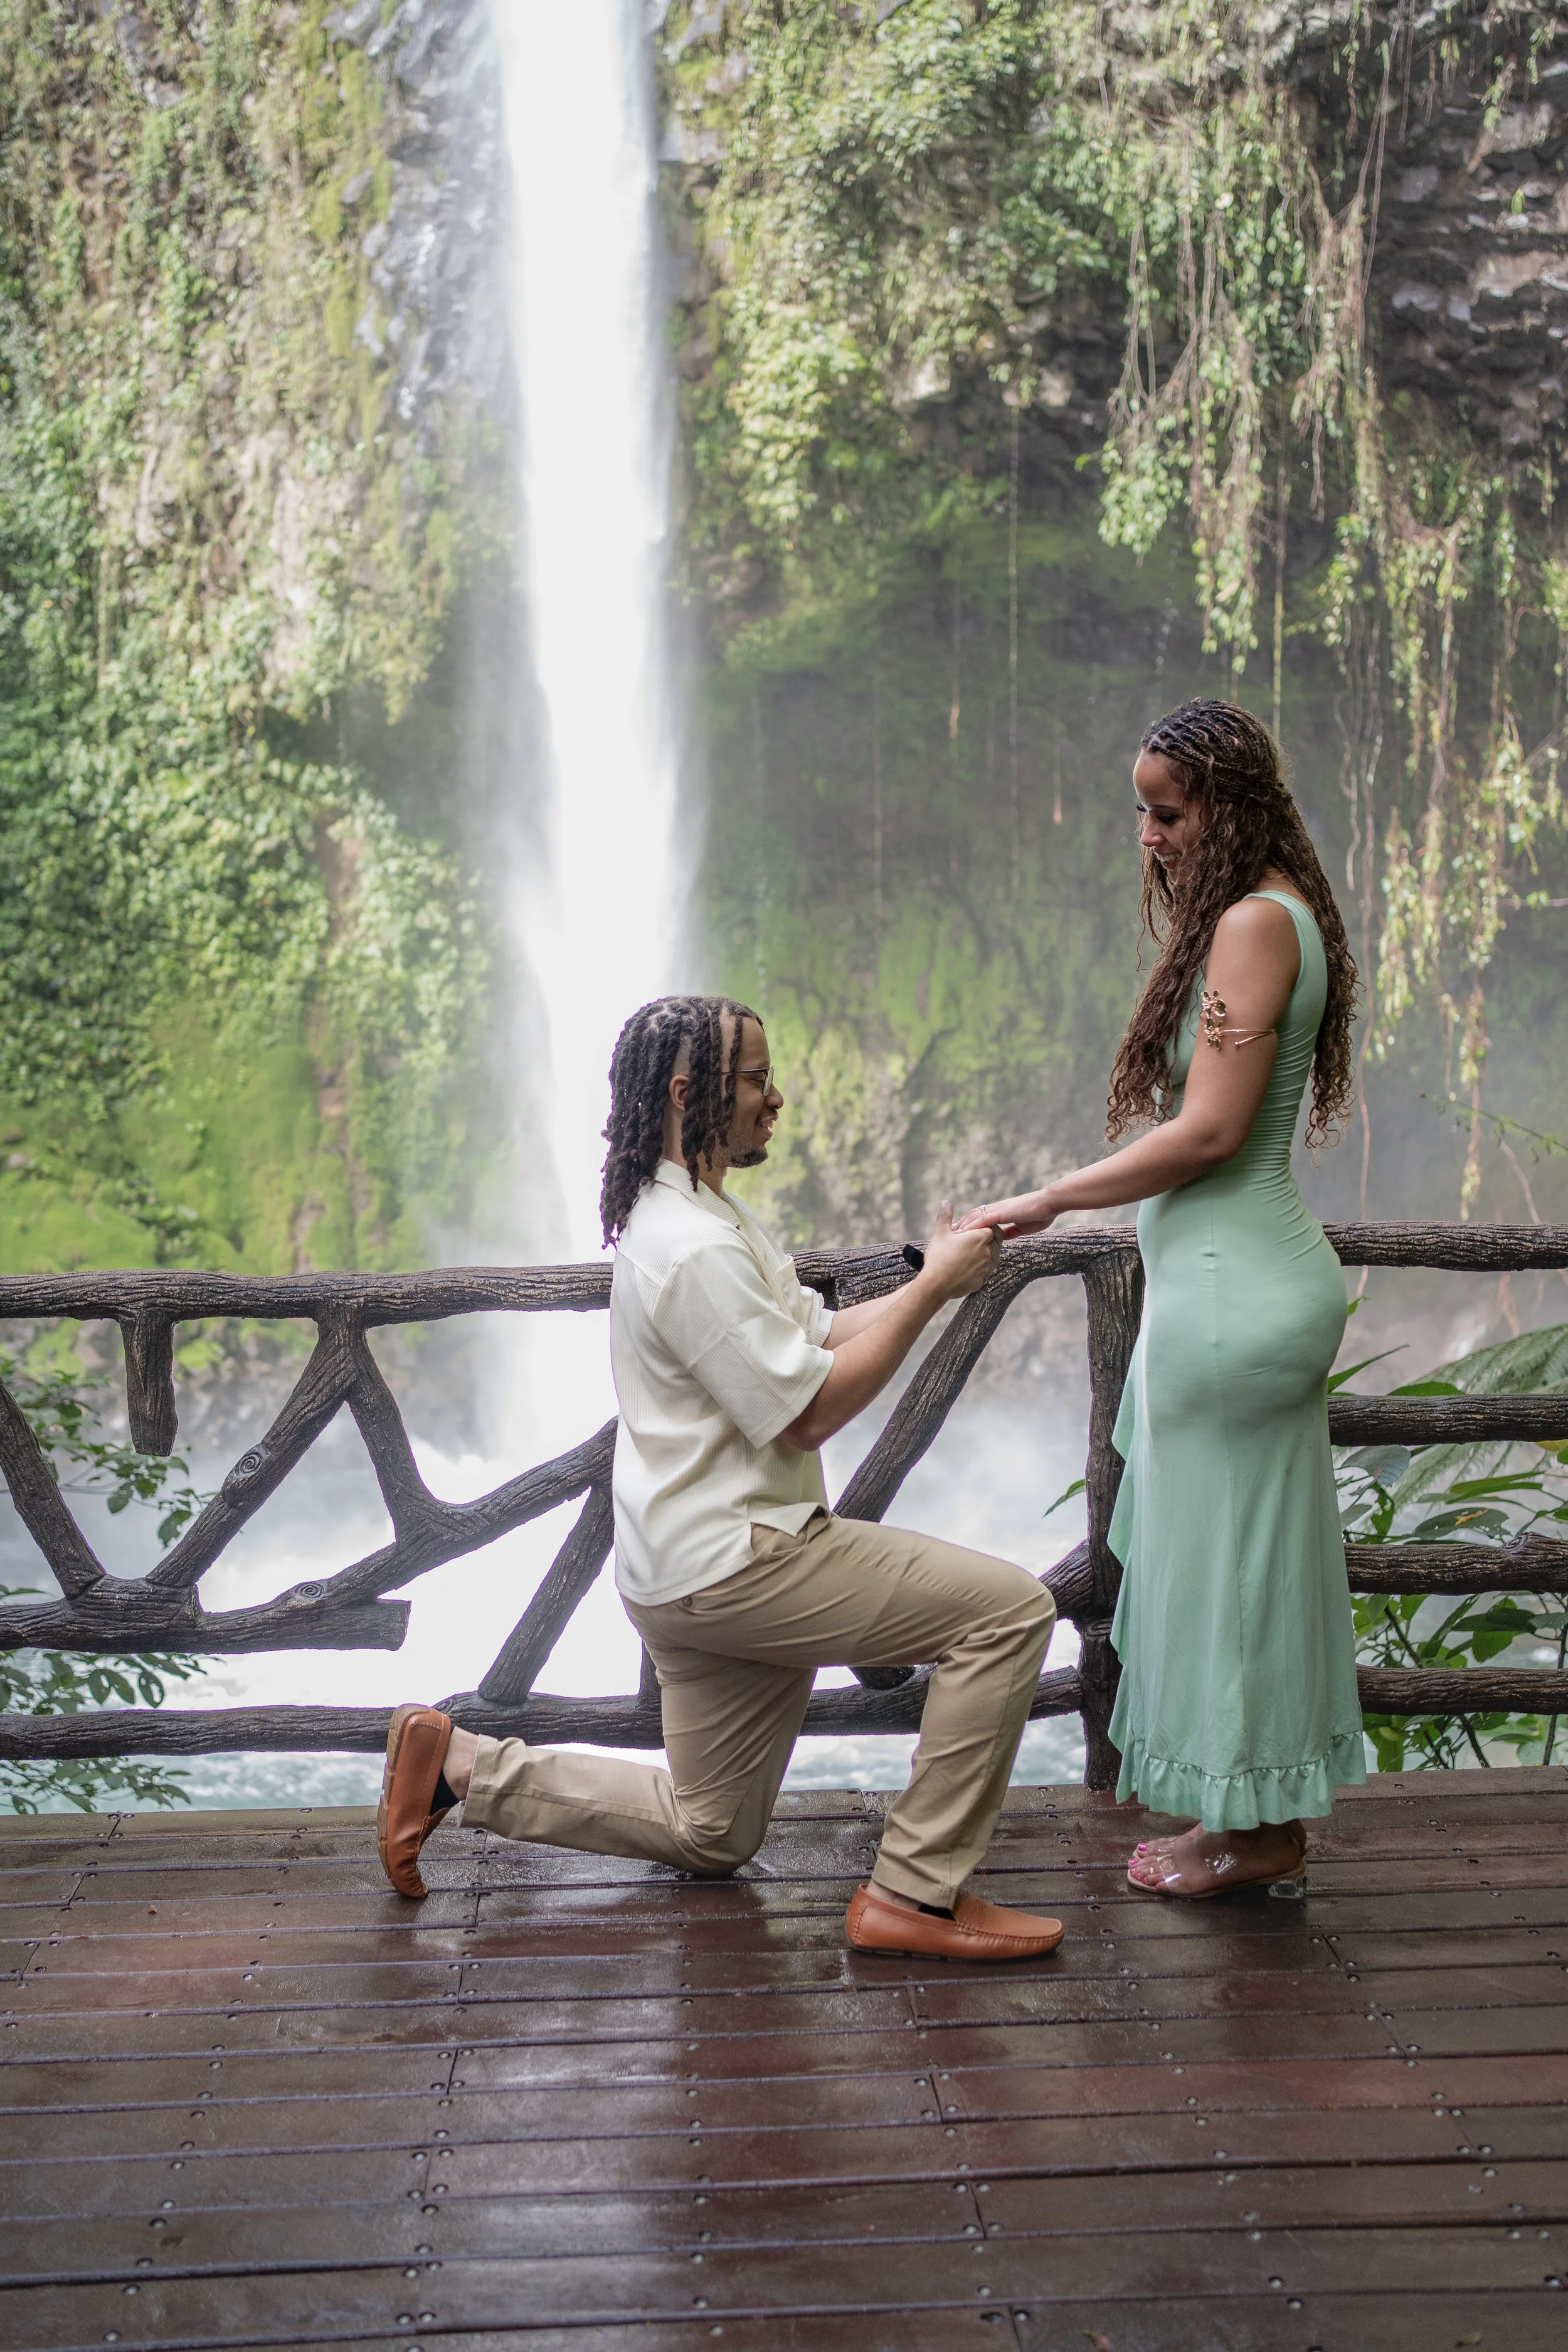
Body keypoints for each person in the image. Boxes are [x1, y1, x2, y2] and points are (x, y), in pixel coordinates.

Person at [376, 992, 1065, 1961]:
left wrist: (931, 1282)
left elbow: (818, 1336)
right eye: (756, 1080)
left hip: (685, 1566)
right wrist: (936, 1293)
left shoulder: (702, 1215)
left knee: (713, 1830)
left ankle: (458, 1765)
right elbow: (809, 1408)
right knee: (1009, 1611)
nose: (775, 1098)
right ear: (688, 1091)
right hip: (743, 1562)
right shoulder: (691, 1246)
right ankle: (916, 1891)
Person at [961, 699, 1364, 1897]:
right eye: (1142, 808)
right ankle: (1245, 1816)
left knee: (1232, 1568)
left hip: (1237, 1295)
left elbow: (1210, 1133)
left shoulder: (1253, 922)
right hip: (1227, 1287)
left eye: (1167, 810)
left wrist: (1051, 1197)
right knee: (1232, 1559)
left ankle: (1257, 1829)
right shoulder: (1274, 910)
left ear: (1227, 807)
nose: (1148, 833)